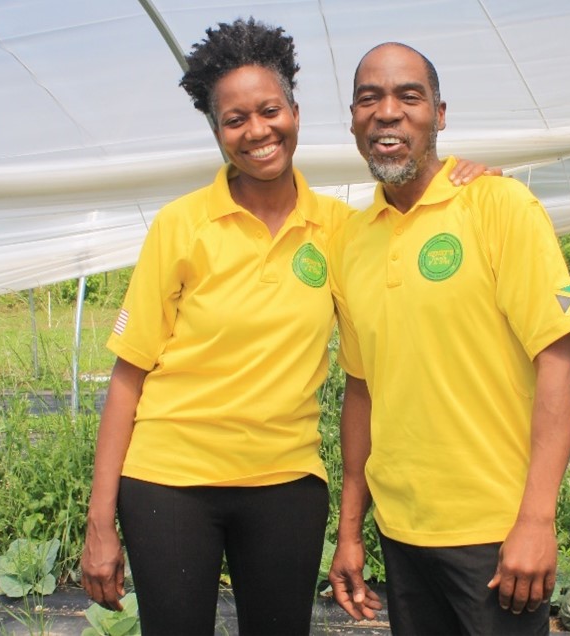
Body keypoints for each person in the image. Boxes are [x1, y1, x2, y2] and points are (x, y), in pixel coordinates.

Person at [79, 19, 492, 636]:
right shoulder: (181, 225)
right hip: (170, 481)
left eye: (270, 110)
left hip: (287, 485)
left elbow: (411, 216)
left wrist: (471, 182)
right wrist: (99, 521)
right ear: (217, 131)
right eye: (235, 120)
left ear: (295, 111)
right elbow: (128, 376)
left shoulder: (340, 231)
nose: (257, 132)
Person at [327, 42, 570, 635]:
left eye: (409, 96)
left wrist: (537, 520)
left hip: (496, 535)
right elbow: (362, 390)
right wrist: (350, 530)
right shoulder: (350, 240)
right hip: (400, 530)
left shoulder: (500, 206)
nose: (387, 112)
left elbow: (559, 363)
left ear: (440, 115)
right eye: (369, 99)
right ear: (352, 120)